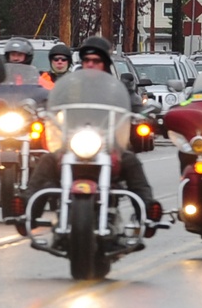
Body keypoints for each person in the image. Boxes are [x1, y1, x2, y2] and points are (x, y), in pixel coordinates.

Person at [22, 36, 160, 230]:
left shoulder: (116, 87)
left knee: (131, 162)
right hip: (74, 143)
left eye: (96, 61)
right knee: (47, 162)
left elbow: (134, 105)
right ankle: (26, 212)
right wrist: (40, 111)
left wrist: (144, 114)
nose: (91, 64)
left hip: (108, 145)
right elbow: (51, 102)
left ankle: (147, 213)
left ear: (104, 63)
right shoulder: (70, 86)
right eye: (87, 60)